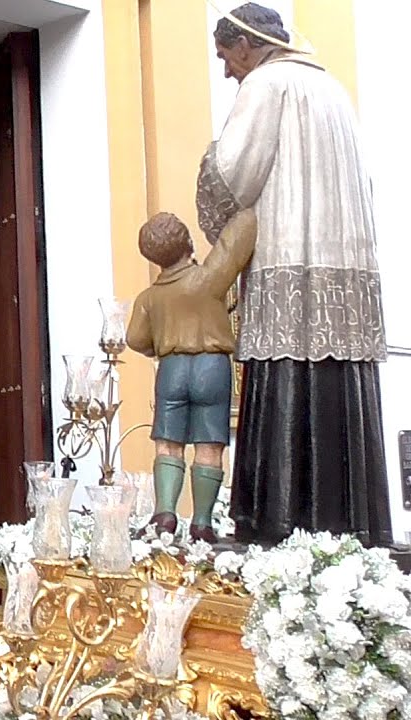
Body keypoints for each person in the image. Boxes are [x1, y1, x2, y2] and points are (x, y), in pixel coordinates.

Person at [197, 3, 392, 546]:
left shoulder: (267, 85)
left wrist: (207, 173)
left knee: (284, 375)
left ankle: (278, 522)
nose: (227, 71)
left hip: (288, 252)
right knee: (338, 383)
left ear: (246, 45)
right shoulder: (332, 90)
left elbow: (235, 175)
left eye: (226, 58)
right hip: (346, 260)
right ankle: (354, 525)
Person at [127, 210, 257, 542]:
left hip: (171, 369)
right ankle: (201, 522)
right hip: (211, 367)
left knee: (167, 443)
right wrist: (245, 203)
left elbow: (135, 340)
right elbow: (238, 240)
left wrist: (161, 342)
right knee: (209, 443)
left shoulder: (149, 298)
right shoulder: (207, 279)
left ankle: (165, 514)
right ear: (187, 242)